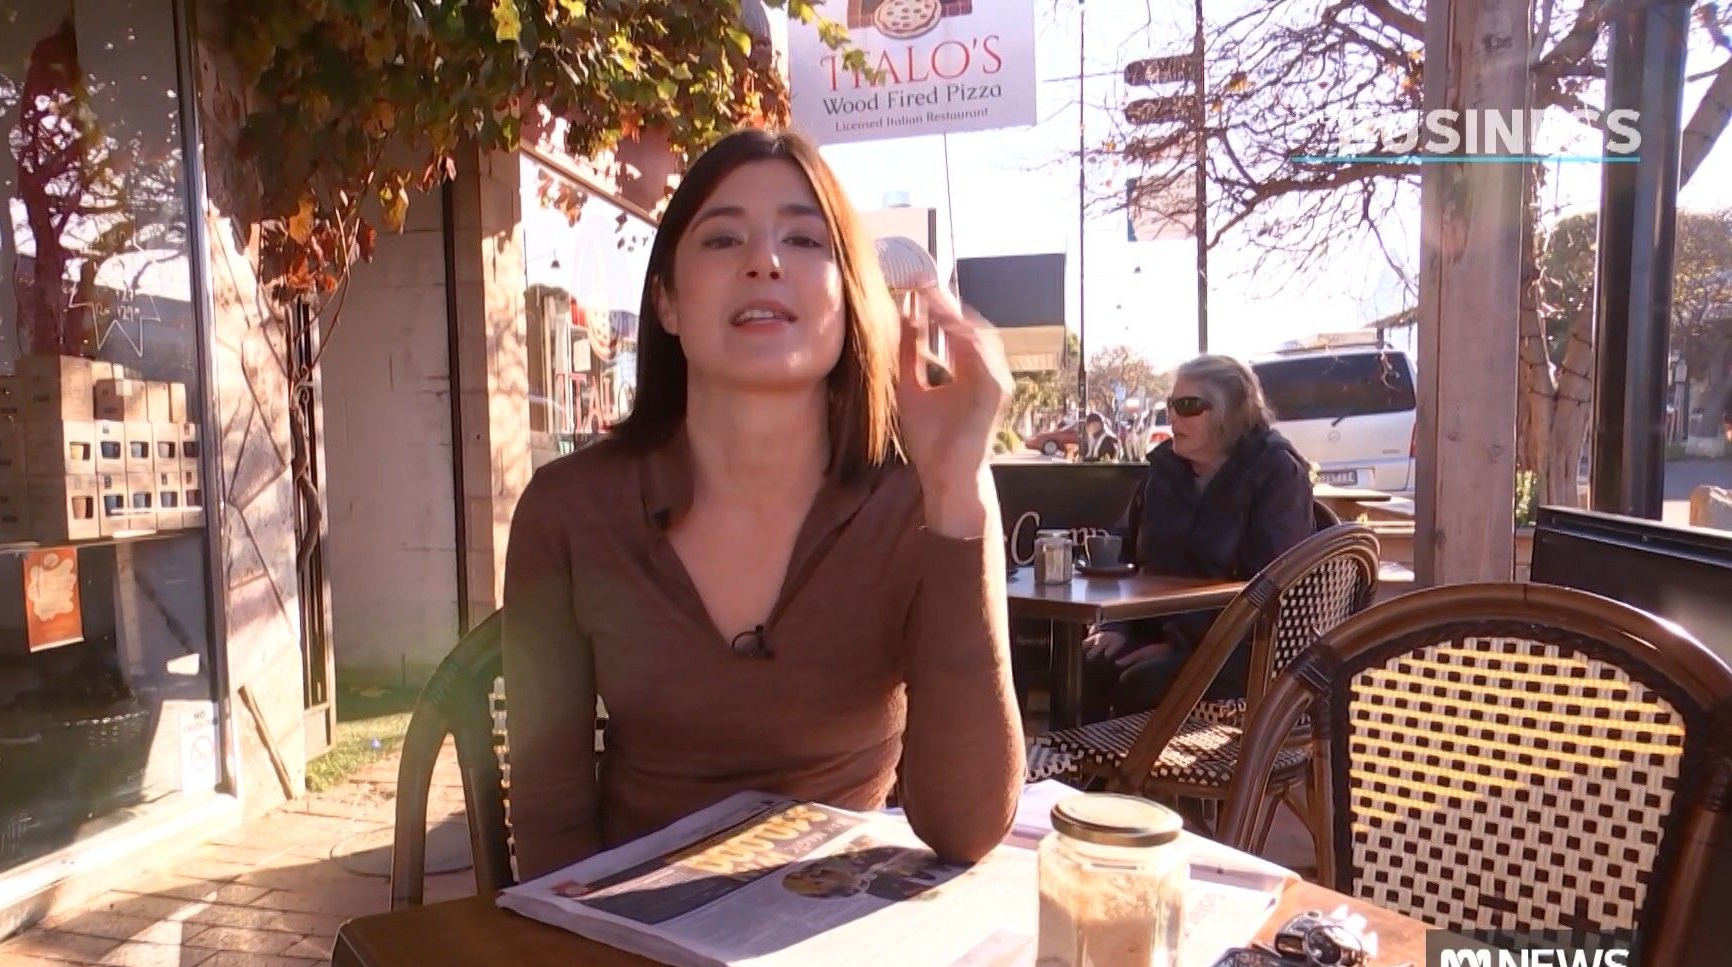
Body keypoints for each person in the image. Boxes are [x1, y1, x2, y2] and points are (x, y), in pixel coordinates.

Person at [502, 128, 1023, 881]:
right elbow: (550, 818)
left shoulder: (926, 493)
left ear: (850, 299)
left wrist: (955, 491)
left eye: (804, 240)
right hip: (626, 921)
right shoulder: (568, 510)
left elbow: (966, 829)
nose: (765, 261)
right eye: (723, 239)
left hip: (836, 924)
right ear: (668, 302)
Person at [1078, 354, 1315, 723]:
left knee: (1140, 682)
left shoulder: (1276, 471)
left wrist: (1182, 647)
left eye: (1188, 406)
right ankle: (1083, 762)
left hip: (1246, 647)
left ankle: (1136, 763)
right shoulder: (1164, 472)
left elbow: (1272, 588)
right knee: (1087, 661)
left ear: (1231, 411)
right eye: (1171, 404)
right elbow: (1121, 552)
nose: (1173, 417)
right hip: (1161, 629)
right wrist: (1116, 625)